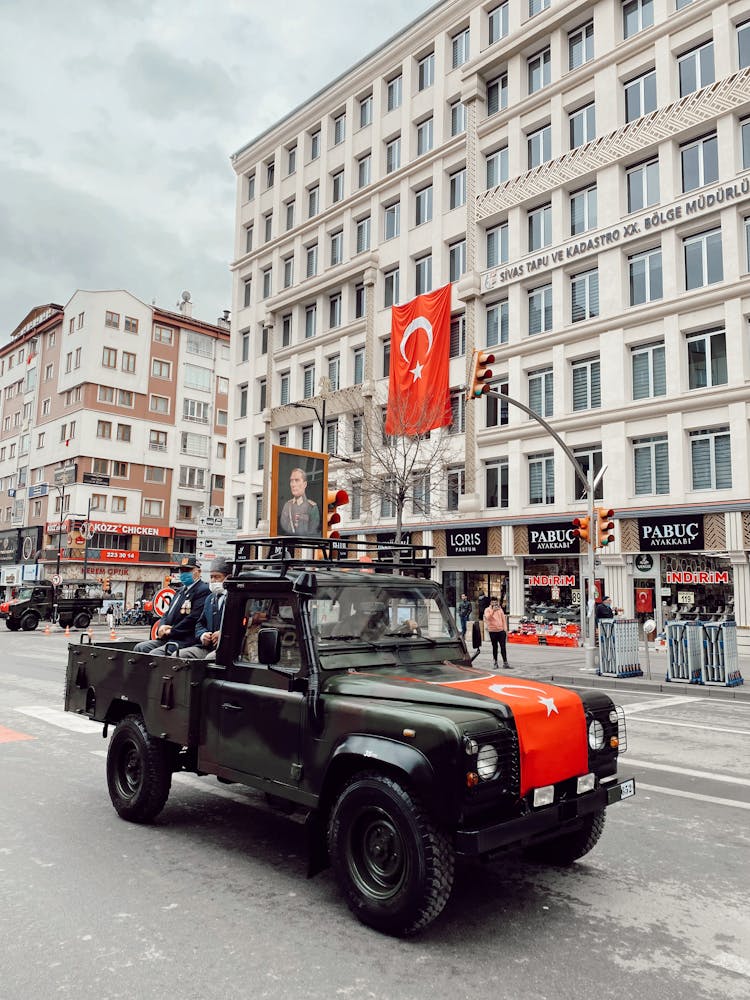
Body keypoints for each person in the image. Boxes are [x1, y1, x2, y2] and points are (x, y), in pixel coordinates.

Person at [133, 556, 210, 654]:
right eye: (181, 570)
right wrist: (162, 626)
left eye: (188, 570)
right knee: (140, 648)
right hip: (169, 638)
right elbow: (167, 613)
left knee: (156, 654)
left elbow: (193, 618)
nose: (184, 573)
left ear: (198, 572)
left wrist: (171, 631)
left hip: (185, 640)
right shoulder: (180, 591)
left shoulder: (203, 590)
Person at [179, 557, 231, 660]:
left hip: (227, 647)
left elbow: (240, 623)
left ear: (228, 578)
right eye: (211, 577)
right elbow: (200, 623)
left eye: (217, 577)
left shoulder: (234, 598)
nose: (213, 580)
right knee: (180, 655)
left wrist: (223, 633)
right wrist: (203, 635)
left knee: (209, 659)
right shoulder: (210, 598)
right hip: (207, 646)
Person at [279, 467, 321, 535]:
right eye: (291, 481)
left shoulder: (312, 507)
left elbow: (313, 531)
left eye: (297, 480)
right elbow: (283, 530)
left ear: (305, 484)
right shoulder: (287, 506)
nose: (293, 484)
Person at [484, 597, 510, 670]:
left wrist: (505, 630)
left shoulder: (500, 609)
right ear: (490, 603)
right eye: (493, 602)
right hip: (492, 631)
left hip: (501, 631)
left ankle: (505, 663)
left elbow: (503, 619)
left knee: (503, 647)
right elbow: (488, 617)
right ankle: (495, 662)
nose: (494, 604)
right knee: (495, 647)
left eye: (496, 602)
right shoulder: (487, 610)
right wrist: (493, 611)